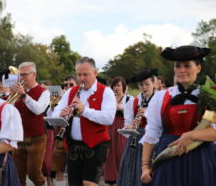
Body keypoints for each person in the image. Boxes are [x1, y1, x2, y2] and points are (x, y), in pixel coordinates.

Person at [140, 46, 216, 186]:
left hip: (201, 159)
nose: (181, 70)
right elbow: (152, 133)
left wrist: (192, 136)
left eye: (187, 65)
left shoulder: (212, 95)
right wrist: (145, 166)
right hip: (168, 159)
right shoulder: (161, 98)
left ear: (198, 68)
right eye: (177, 66)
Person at [52, 57, 116, 186]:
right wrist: (60, 114)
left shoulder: (106, 92)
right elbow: (55, 112)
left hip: (96, 145)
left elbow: (109, 118)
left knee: (88, 183)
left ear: (95, 73)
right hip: (74, 145)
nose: (81, 78)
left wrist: (84, 110)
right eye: (79, 75)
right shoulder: (71, 91)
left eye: (85, 74)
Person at [12, 62, 50, 186]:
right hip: (18, 137)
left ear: (34, 74)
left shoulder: (44, 92)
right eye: (20, 75)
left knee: (34, 173)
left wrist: (24, 95)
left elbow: (38, 109)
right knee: (18, 174)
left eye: (24, 75)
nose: (21, 78)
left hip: (36, 138)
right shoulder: (16, 91)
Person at [116, 69, 157, 186]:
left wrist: (147, 113)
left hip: (154, 140)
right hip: (135, 142)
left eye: (147, 84)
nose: (144, 87)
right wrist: (130, 126)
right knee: (132, 173)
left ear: (153, 83)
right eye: (141, 85)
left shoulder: (159, 99)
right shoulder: (133, 102)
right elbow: (127, 126)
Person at [103, 77, 129, 185]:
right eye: (114, 85)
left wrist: (115, 103)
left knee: (120, 152)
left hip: (122, 126)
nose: (116, 88)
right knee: (110, 155)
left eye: (118, 85)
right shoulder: (109, 98)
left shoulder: (128, 99)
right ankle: (111, 180)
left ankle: (122, 179)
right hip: (110, 126)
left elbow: (126, 110)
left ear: (123, 86)